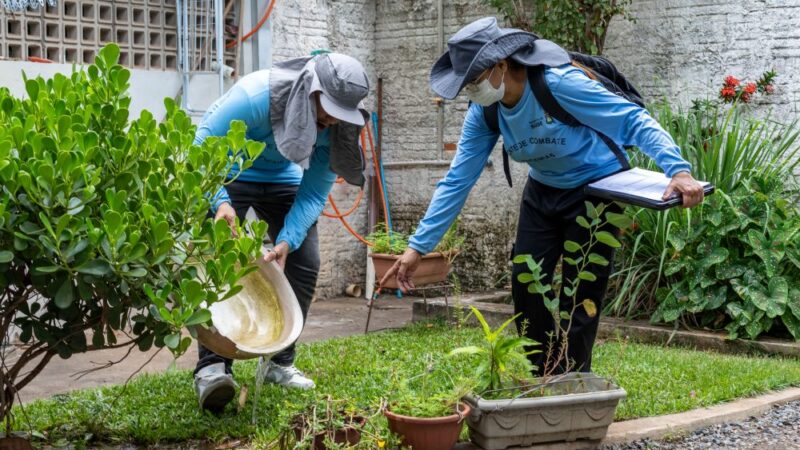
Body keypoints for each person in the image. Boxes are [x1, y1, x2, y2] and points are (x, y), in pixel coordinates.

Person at [381, 17, 705, 376]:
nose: (470, 91)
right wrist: (417, 248)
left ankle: (573, 379)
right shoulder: (485, 112)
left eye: (473, 80)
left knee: (581, 293)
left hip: (596, 190)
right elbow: (457, 180)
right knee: (526, 283)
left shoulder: (559, 83)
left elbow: (632, 119)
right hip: (543, 190)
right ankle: (540, 373)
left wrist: (679, 171)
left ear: (501, 66)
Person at [193, 52, 370, 412]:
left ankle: (280, 362)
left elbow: (315, 191)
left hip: (282, 180)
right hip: (229, 174)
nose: (330, 120)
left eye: (339, 114)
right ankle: (212, 367)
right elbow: (202, 147)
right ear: (312, 90)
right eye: (328, 109)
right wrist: (219, 202)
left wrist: (288, 239)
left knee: (306, 259)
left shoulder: (335, 127)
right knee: (216, 255)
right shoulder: (255, 96)